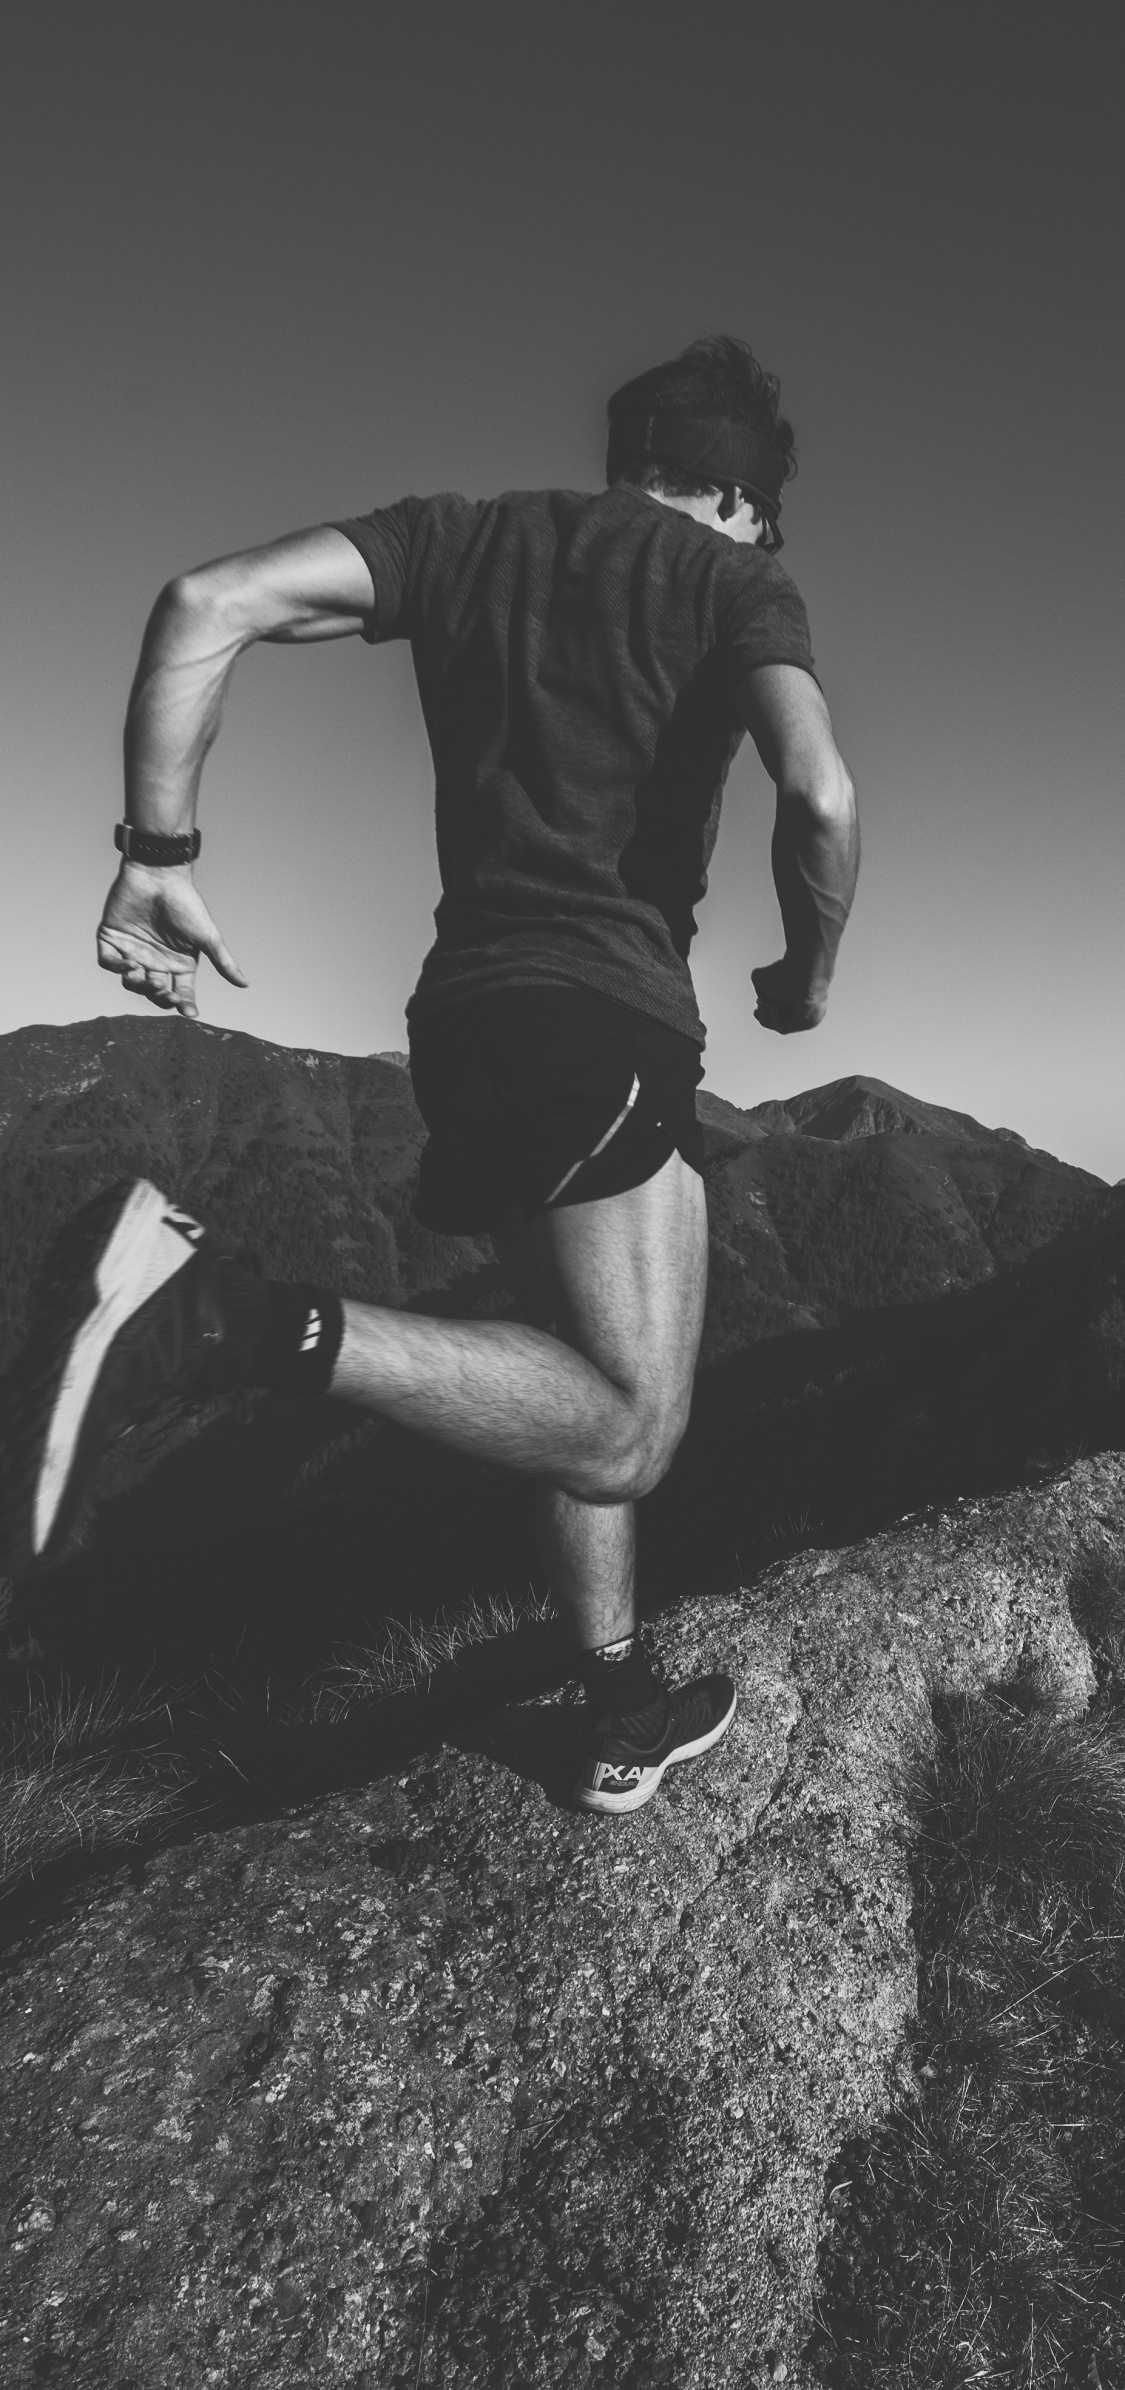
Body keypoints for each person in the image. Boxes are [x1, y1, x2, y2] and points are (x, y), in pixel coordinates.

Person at [1, 336, 858, 1814]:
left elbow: (209, 603)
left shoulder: (468, 541)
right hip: (604, 1014)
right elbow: (821, 794)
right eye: (765, 515)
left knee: (561, 1370)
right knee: (633, 1425)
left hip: (461, 1022)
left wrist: (155, 856)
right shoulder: (731, 586)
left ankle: (611, 1699)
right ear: (733, 494)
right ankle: (227, 1316)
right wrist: (806, 975)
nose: (763, 539)